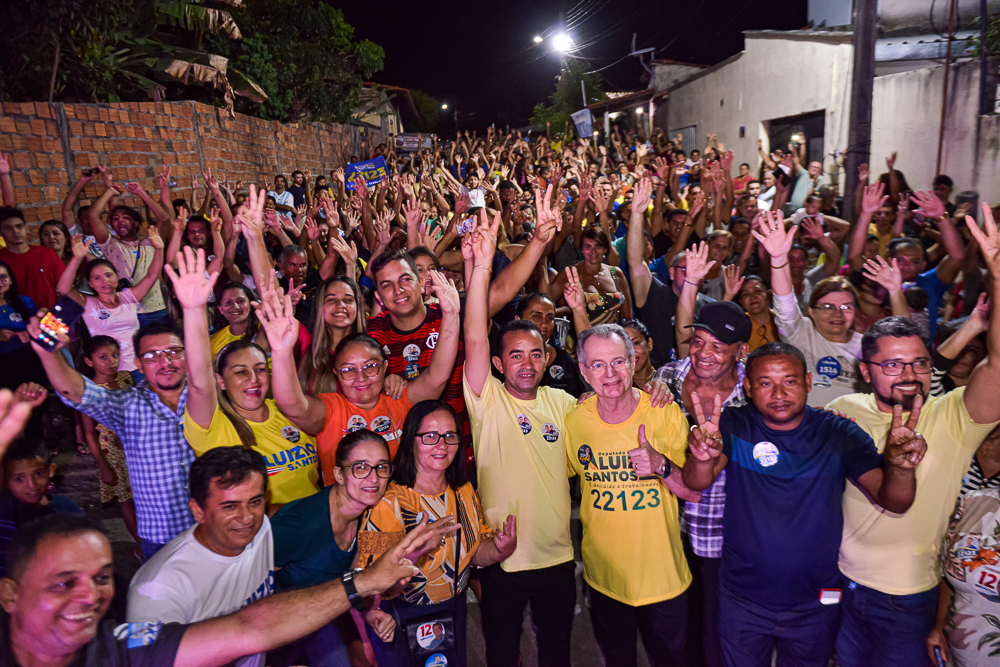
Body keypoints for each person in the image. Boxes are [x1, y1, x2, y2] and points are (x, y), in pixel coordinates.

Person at [682, 341, 922, 667]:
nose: (778, 393)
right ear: (749, 387)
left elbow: (894, 502)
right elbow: (698, 481)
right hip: (742, 600)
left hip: (815, 603)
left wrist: (900, 468)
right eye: (765, 383)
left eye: (790, 381)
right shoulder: (734, 424)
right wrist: (700, 458)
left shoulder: (838, 433)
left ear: (808, 382)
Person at [0, 510, 452, 667]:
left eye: (100, 578)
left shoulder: (122, 650)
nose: (87, 596)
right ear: (9, 594)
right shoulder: (159, 585)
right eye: (63, 583)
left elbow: (249, 627)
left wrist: (367, 581)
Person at [462, 211, 579, 667]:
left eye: (535, 354)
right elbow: (474, 332)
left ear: (547, 357)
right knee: (501, 653)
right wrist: (481, 265)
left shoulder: (562, 402)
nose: (526, 364)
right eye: (515, 356)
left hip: (555, 560)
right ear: (497, 363)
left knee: (556, 654)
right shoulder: (485, 399)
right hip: (500, 559)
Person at [566, 323, 696, 667]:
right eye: (597, 364)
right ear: (583, 371)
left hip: (663, 579)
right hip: (605, 579)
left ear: (633, 361)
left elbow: (693, 493)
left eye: (618, 361)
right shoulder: (574, 421)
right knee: (617, 658)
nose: (610, 373)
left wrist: (661, 465)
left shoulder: (664, 411)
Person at [258, 267, 459, 486]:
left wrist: (450, 316)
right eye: (349, 370)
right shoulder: (331, 408)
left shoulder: (398, 399)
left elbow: (437, 376)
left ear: (385, 368)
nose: (360, 377)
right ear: (337, 373)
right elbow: (292, 404)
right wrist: (280, 351)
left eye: (370, 367)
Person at [356, 400, 517, 667]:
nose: (441, 445)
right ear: (411, 441)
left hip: (453, 609)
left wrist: (501, 549)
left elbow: (475, 554)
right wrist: (417, 552)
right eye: (430, 436)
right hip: (402, 615)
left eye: (450, 436)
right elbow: (370, 583)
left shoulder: (463, 491)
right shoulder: (389, 502)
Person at [25, 315, 196, 560]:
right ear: (138, 363)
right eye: (151, 355)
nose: (164, 361)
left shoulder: (209, 395)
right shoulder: (128, 405)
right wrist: (49, 351)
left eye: (173, 351)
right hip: (162, 534)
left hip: (214, 528)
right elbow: (74, 391)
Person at [653, 259, 753, 667]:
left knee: (720, 627)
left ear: (741, 352)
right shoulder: (669, 378)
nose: (703, 354)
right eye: (699, 342)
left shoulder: (752, 395)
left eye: (718, 347)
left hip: (725, 533)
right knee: (677, 625)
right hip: (668, 526)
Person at [169, 247, 320, 510]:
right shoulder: (214, 428)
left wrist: (282, 351)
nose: (253, 379)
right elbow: (199, 384)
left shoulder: (287, 411)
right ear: (221, 381)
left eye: (260, 369)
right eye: (240, 372)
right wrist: (193, 310)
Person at [127, 447, 274, 667]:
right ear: (198, 510)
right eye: (230, 506)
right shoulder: (153, 591)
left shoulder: (262, 531)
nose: (246, 518)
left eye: (254, 502)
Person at [270, 429, 397, 667]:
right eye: (360, 467)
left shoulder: (371, 516)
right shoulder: (300, 526)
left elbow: (349, 578)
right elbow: (248, 588)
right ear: (339, 474)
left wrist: (368, 611)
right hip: (278, 623)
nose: (374, 478)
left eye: (381, 467)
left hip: (325, 612)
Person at [754, 210, 864, 406]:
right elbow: (786, 308)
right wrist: (779, 258)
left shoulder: (867, 346)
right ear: (811, 311)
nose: (837, 313)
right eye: (828, 306)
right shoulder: (802, 334)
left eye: (846, 306)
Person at [627, 178, 713, 366]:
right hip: (654, 379)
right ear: (671, 274)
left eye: (697, 270)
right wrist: (636, 214)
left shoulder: (710, 308)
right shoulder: (654, 294)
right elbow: (635, 262)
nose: (692, 274)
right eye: (686, 269)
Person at [59, 234, 165, 383]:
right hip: (109, 373)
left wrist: (159, 249)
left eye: (109, 275)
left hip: (139, 367)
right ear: (90, 284)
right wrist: (77, 258)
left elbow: (152, 276)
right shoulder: (88, 303)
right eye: (97, 278)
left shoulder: (128, 297)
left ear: (116, 276)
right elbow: (64, 289)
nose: (105, 281)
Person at [87, 168, 171, 325]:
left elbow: (164, 218)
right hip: (126, 309)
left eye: (125, 218)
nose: (120, 221)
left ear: (136, 223)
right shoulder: (111, 245)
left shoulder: (151, 241)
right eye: (116, 219)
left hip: (155, 309)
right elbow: (92, 215)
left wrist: (141, 193)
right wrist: (109, 191)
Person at [78, 337, 140, 549]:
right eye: (102, 357)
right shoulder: (89, 389)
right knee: (126, 498)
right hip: (112, 450)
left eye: (115, 355)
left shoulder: (125, 378)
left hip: (136, 444)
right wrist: (103, 466)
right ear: (89, 361)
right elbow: (89, 434)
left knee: (141, 492)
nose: (111, 361)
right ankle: (140, 545)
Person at [546, 226, 632, 325]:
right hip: (582, 337)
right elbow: (544, 304)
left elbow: (627, 317)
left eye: (598, 246)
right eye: (588, 246)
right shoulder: (570, 274)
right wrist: (566, 310)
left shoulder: (616, 273)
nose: (593, 251)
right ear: (581, 249)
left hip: (613, 337)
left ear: (605, 249)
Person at [296, 275, 367, 395]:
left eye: (348, 300)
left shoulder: (371, 347)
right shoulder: (305, 341)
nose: (341, 305)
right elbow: (266, 285)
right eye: (331, 300)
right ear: (320, 307)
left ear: (358, 307)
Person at [515, 292, 584, 398]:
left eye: (550, 318)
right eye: (536, 316)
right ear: (518, 319)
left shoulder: (563, 358)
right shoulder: (504, 358)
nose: (544, 324)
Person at [0, 207, 65, 310]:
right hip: (14, 320)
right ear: (1, 232)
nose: (15, 231)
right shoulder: (1, 260)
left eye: (19, 226)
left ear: (26, 228)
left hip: (49, 318)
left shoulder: (46, 253)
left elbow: (66, 286)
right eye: (8, 228)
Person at [0, 260, 43, 392]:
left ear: (11, 280)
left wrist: (31, 335)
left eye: (3, 277)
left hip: (29, 360)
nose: (0, 282)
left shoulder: (24, 302)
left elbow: (44, 330)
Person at [737, 275, 779, 352]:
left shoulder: (782, 319)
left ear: (769, 295)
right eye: (746, 294)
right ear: (741, 302)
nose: (752, 297)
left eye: (757, 291)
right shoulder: (739, 324)